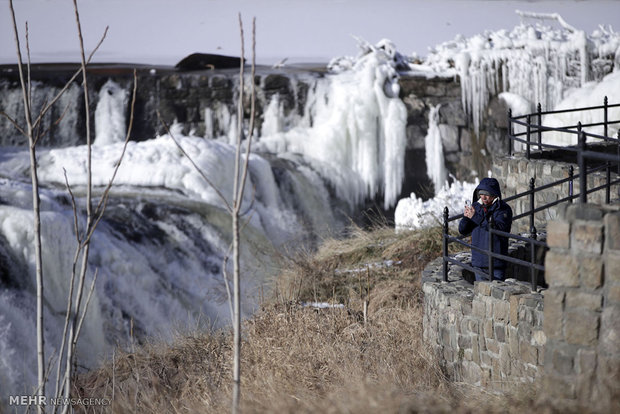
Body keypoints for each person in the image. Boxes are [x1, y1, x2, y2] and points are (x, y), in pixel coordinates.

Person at [458, 177, 513, 281]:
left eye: (487, 194)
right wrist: (466, 217)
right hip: (479, 262)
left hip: (496, 262)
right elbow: (462, 230)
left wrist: (475, 217)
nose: (483, 197)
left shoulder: (503, 209)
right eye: (481, 193)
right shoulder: (476, 207)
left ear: (494, 194)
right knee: (481, 295)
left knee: (497, 295)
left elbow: (499, 230)